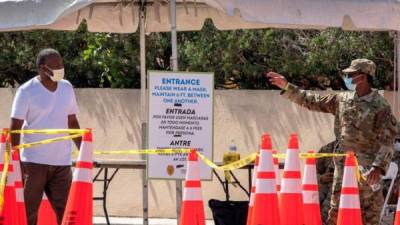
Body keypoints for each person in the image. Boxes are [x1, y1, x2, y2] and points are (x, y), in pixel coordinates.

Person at [267, 58, 398, 225]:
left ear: (364, 77)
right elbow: (312, 100)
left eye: (352, 74)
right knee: (336, 214)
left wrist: (378, 168)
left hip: (366, 172)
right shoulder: (341, 100)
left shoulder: (380, 105)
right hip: (343, 168)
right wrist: (287, 86)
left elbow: (389, 139)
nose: (348, 78)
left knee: (368, 216)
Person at [10, 48, 81, 225]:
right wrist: (16, 161)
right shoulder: (26, 91)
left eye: (61, 64)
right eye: (55, 66)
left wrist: (84, 152)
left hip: (61, 164)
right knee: (28, 214)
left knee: (66, 214)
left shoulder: (66, 87)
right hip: (33, 163)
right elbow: (15, 128)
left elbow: (72, 122)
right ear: (43, 68)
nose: (60, 69)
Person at [316, 140, 337, 225]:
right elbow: (310, 172)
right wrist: (321, 178)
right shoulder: (328, 148)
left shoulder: (363, 149)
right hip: (323, 192)